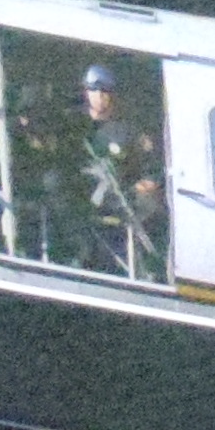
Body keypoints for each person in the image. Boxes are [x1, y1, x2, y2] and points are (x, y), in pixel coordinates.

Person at [72, 62, 167, 284]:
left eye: (104, 91)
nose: (98, 96)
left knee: (151, 205)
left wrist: (148, 181)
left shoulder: (127, 129)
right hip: (79, 193)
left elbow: (151, 166)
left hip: (121, 197)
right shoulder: (73, 124)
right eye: (93, 90)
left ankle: (149, 265)